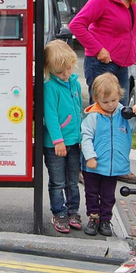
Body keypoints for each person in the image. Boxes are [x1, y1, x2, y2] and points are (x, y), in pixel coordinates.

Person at [68, 0, 136, 185]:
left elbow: (129, 32)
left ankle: (118, 165)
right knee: (98, 116)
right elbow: (76, 25)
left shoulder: (131, 2)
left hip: (122, 65)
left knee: (121, 116)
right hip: (102, 64)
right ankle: (87, 166)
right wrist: (97, 48)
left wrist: (133, 51)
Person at [80, 73, 136, 237]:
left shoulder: (124, 114)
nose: (110, 105)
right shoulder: (93, 116)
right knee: (92, 193)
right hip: (93, 166)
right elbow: (86, 137)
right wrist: (90, 157)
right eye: (105, 102)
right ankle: (94, 217)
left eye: (113, 101)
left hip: (113, 167)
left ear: (119, 96)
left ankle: (105, 220)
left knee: (109, 195)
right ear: (96, 99)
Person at [43, 40, 83, 234]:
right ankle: (59, 212)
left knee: (73, 180)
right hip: (56, 144)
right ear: (50, 69)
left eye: (67, 69)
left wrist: (82, 137)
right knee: (58, 181)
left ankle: (73, 211)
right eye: (60, 72)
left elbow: (78, 112)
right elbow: (50, 116)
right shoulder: (50, 86)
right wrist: (58, 140)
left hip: (74, 142)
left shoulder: (73, 83)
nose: (65, 74)